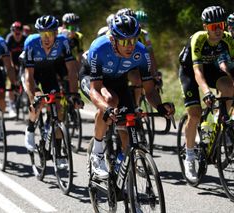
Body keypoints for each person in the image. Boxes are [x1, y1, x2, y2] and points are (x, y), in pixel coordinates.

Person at [85, 14, 174, 179]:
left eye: (134, 40)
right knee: (110, 101)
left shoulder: (141, 52)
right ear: (113, 40)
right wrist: (106, 109)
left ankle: (121, 168)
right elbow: (95, 90)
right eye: (125, 41)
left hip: (118, 79)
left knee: (126, 127)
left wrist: (160, 106)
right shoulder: (99, 48)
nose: (130, 46)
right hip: (95, 81)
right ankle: (96, 153)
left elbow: (149, 90)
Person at [178, 6, 234, 181]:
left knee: (229, 87)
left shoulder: (227, 39)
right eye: (212, 26)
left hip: (211, 69)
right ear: (205, 27)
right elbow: (197, 73)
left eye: (221, 25)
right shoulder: (198, 39)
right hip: (190, 71)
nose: (217, 30)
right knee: (194, 115)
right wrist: (207, 92)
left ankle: (219, 121)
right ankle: (189, 155)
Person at [23, 15, 80, 167]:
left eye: (49, 34)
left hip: (49, 72)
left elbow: (71, 70)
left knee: (59, 109)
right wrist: (32, 97)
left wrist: (74, 94)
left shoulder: (63, 42)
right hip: (33, 73)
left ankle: (59, 152)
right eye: (43, 34)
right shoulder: (31, 43)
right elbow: (29, 75)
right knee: (39, 101)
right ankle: (30, 129)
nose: (46, 38)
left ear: (56, 33)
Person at [5, 21, 27, 118]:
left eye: (19, 32)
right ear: (12, 32)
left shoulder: (25, 39)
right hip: (12, 61)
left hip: (23, 61)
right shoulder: (9, 39)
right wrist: (12, 66)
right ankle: (11, 105)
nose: (17, 34)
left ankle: (26, 98)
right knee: (11, 80)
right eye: (15, 32)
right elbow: (8, 56)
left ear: (22, 32)